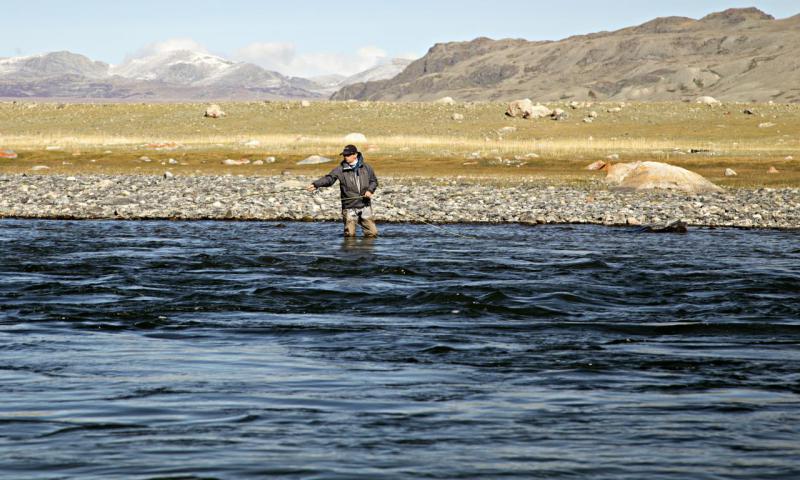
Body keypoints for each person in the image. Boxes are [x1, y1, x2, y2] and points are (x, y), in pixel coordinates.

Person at [307, 144, 378, 237]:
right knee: (349, 235)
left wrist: (370, 190)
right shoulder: (340, 169)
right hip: (349, 206)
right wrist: (316, 184)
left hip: (365, 205)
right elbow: (329, 179)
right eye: (344, 155)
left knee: (372, 234)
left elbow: (373, 181)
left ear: (355, 155)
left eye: (348, 155)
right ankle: (348, 251)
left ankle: (365, 251)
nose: (345, 157)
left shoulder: (366, 167)